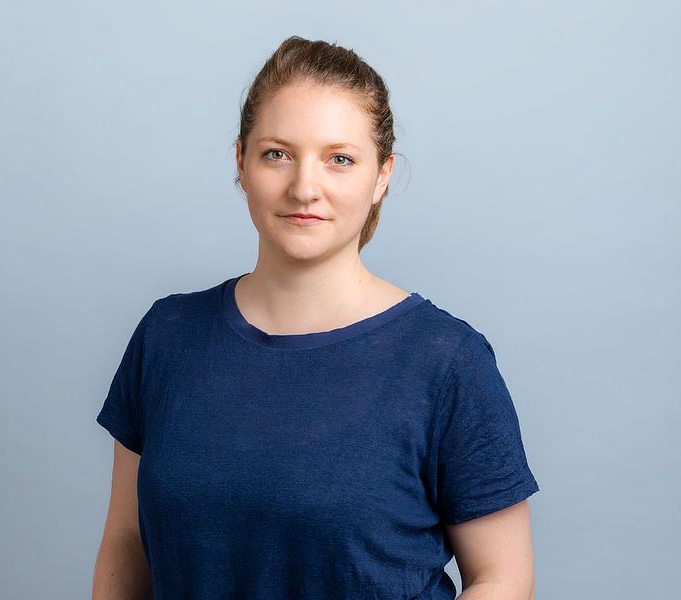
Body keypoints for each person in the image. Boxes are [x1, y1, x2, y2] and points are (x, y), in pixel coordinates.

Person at [92, 35, 539, 600]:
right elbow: (127, 540)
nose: (305, 188)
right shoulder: (167, 336)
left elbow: (502, 577)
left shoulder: (448, 363)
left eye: (340, 159)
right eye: (277, 154)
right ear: (241, 162)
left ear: (381, 176)